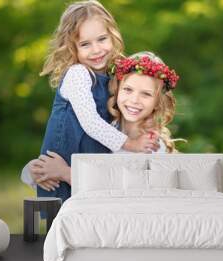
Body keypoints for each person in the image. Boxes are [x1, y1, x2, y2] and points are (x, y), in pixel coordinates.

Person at [22, 1, 159, 207]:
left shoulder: (111, 75)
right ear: (72, 47)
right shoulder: (79, 74)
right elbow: (90, 122)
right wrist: (131, 145)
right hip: (63, 167)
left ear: (112, 36)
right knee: (68, 222)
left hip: (87, 168)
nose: (96, 50)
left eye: (102, 39)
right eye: (85, 44)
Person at [26, 51, 181, 187]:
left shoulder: (151, 145)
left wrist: (66, 173)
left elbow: (119, 188)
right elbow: (30, 175)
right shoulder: (107, 131)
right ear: (117, 89)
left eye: (146, 94)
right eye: (128, 89)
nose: (134, 100)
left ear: (157, 102)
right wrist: (34, 171)